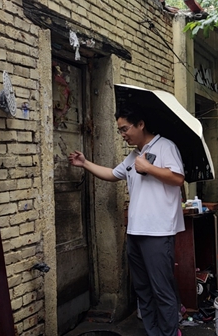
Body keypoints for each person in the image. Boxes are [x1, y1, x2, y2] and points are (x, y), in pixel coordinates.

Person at [68, 106, 184, 336]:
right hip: (135, 232)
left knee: (162, 290)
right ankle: (154, 333)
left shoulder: (165, 146)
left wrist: (149, 168)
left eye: (125, 129)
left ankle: (169, 333)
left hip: (158, 233)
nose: (122, 134)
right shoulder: (133, 156)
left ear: (140, 124)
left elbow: (178, 178)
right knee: (142, 289)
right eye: (119, 130)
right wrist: (85, 163)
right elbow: (112, 174)